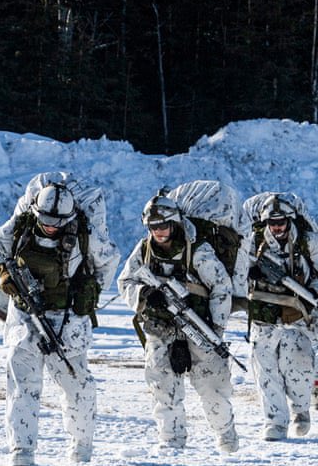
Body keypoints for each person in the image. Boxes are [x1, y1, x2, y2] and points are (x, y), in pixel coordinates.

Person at [0, 181, 119, 466]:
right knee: (22, 386)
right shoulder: (19, 227)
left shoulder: (84, 233)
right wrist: (2, 272)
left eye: (57, 222)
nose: (50, 226)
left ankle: (81, 450)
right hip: (24, 316)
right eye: (46, 220)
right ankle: (21, 451)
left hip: (67, 319)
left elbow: (109, 260)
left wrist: (91, 291)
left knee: (78, 384)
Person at [117, 194, 239, 452]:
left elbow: (221, 287)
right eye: (153, 227)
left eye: (163, 226)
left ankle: (226, 438)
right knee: (162, 389)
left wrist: (215, 329)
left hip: (199, 327)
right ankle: (171, 443)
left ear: (174, 224)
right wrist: (144, 295)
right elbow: (125, 282)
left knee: (213, 389)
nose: (158, 232)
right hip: (161, 329)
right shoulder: (144, 250)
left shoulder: (198, 250)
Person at [246, 195, 318, 440]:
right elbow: (236, 274)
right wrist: (251, 273)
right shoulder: (254, 242)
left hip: (297, 312)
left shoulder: (308, 242)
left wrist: (312, 291)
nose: (277, 227)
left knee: (298, 363)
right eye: (272, 222)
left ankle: (301, 410)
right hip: (264, 313)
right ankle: (275, 422)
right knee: (265, 369)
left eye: (281, 222)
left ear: (289, 220)